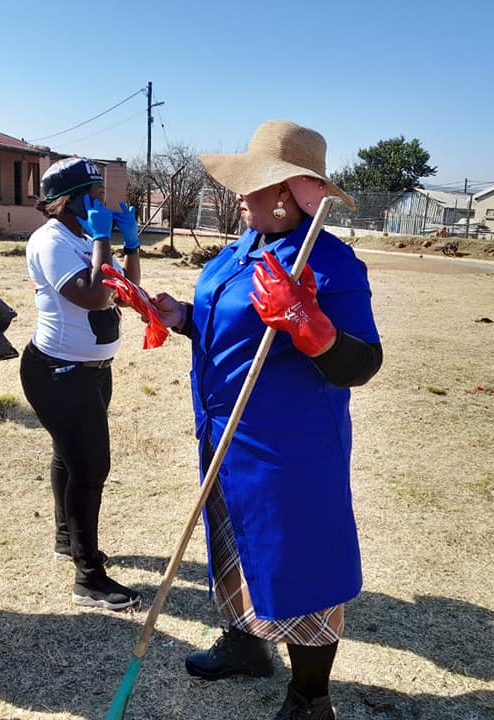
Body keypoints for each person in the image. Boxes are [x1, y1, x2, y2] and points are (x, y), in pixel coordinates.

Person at [151, 121, 383, 720]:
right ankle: (245, 643)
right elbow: (226, 326)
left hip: (289, 446)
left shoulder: (329, 264)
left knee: (300, 560)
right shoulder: (241, 250)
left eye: (249, 187)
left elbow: (362, 361)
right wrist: (181, 316)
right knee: (233, 544)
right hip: (226, 432)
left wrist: (310, 322)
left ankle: (311, 698)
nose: (238, 196)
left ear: (285, 192)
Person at [19, 157, 143, 610]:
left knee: (68, 458)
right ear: (66, 202)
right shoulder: (51, 241)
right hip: (58, 372)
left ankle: (67, 539)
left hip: (92, 369)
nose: (101, 199)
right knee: (90, 470)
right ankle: (88, 577)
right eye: (91, 192)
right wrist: (100, 239)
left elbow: (125, 294)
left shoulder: (84, 237)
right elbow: (94, 297)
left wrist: (129, 244)